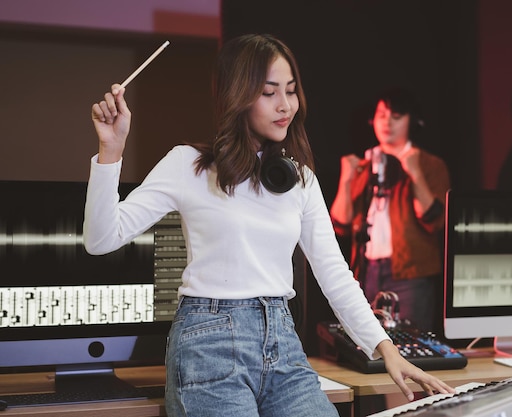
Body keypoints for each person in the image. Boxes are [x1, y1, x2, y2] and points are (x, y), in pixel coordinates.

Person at [85, 34, 454, 417]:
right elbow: (101, 238)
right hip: (208, 344)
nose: (285, 105)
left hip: (283, 341)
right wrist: (111, 151)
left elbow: (334, 274)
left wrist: (386, 350)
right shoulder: (188, 164)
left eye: (291, 91)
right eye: (269, 92)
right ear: (239, 96)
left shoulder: (300, 179)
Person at [330, 87, 450, 332]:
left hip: (410, 274)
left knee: (410, 343)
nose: (387, 123)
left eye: (396, 117)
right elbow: (340, 224)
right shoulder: (364, 165)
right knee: (364, 346)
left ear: (412, 121)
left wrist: (414, 172)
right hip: (365, 271)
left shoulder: (429, 164)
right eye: (382, 115)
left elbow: (434, 220)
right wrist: (346, 179)